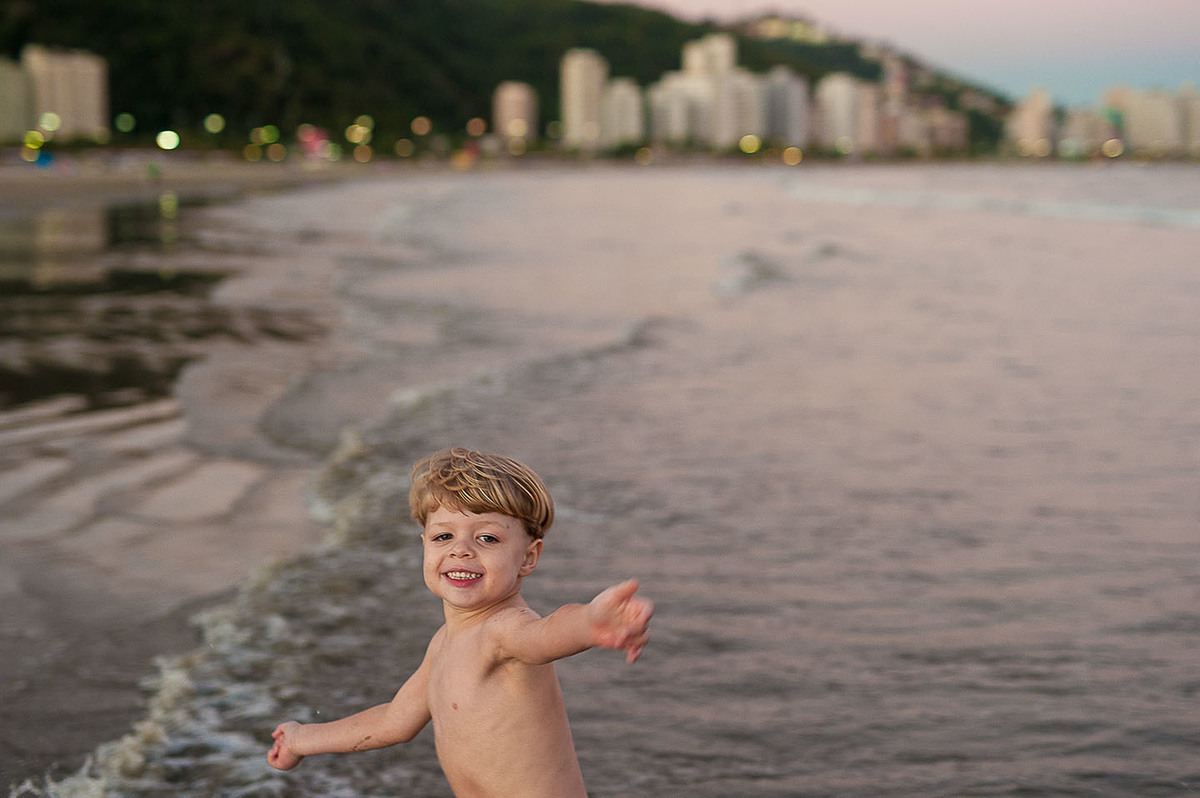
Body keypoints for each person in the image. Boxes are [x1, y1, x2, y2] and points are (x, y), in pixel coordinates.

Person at [268, 446, 653, 797]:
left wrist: (589, 623)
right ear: (424, 545)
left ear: (528, 558)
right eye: (444, 536)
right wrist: (303, 739)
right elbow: (393, 723)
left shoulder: (503, 629)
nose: (461, 550)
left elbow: (546, 633)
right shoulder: (443, 643)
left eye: (487, 538)